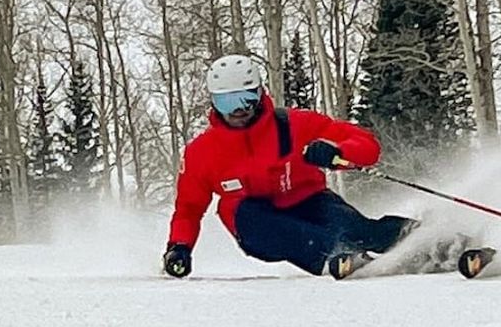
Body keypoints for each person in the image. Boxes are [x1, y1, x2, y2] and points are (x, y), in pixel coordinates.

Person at [162, 54, 415, 278]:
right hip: (258, 223)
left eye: (247, 98)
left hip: (309, 200)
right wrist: (179, 247)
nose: (239, 109)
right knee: (256, 217)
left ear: (260, 93)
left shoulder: (294, 124)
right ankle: (337, 256)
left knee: (357, 231)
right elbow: (188, 209)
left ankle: (422, 238)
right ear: (214, 103)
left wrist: (337, 151)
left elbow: (367, 145)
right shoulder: (202, 152)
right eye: (227, 102)